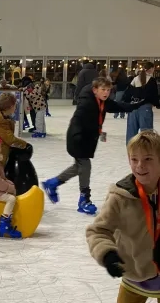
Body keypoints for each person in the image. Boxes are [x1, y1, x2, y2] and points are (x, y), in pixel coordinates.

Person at [85, 130, 160, 303]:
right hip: (134, 273)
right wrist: (107, 253)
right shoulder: (120, 196)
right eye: (135, 159)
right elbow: (98, 231)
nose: (140, 166)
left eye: (149, 159)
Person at [42, 77, 143, 215]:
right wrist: (82, 135)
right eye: (103, 90)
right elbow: (78, 119)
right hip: (77, 138)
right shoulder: (87, 103)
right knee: (85, 165)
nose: (106, 93)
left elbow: (116, 106)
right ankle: (84, 199)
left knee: (78, 167)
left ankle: (52, 183)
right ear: (95, 90)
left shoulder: (102, 101)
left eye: (108, 90)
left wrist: (135, 106)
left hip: (87, 138)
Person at [125, 61, 160, 144]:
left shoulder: (135, 79)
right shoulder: (151, 80)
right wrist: (157, 104)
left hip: (133, 107)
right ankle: (146, 151)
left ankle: (131, 151)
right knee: (146, 133)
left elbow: (127, 93)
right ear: (151, 69)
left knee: (131, 133)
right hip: (145, 107)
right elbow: (154, 95)